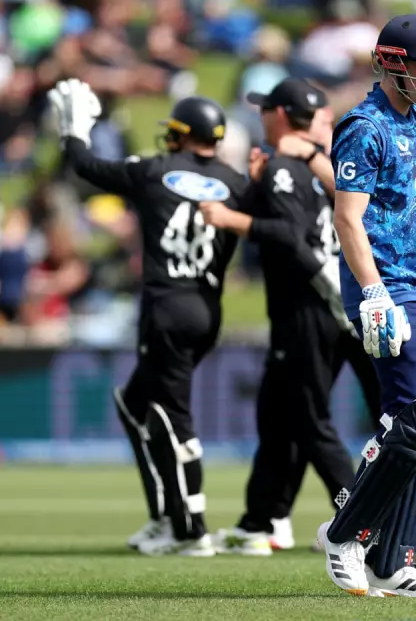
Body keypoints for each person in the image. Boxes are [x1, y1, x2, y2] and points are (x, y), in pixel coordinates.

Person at [47, 79, 300, 557]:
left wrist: (73, 128)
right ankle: (166, 515)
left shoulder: (153, 170)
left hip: (165, 307)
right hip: (206, 309)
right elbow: (281, 226)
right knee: (135, 404)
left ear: (182, 133)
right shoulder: (236, 183)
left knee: (171, 415)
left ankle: (190, 528)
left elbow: (83, 166)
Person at [316, 14, 416, 598]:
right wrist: (373, 291)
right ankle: (345, 533)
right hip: (391, 286)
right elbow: (347, 218)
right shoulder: (363, 126)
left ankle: (396, 559)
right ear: (391, 63)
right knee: (413, 421)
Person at [199, 78, 381, 555]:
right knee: (278, 414)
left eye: (265, 109)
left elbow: (287, 234)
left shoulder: (284, 166)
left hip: (306, 307)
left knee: (308, 418)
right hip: (326, 304)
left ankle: (359, 521)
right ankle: (261, 521)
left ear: (279, 115)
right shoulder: (314, 168)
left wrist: (231, 218)